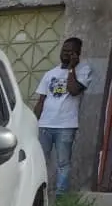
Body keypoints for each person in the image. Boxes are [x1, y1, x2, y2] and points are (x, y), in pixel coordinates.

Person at [33, 37, 94, 196]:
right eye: (64, 50)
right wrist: (33, 122)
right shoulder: (50, 74)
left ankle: (61, 197)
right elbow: (41, 100)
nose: (65, 54)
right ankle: (39, 193)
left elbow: (73, 90)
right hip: (44, 125)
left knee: (63, 163)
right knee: (40, 160)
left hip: (65, 126)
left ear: (77, 53)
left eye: (70, 51)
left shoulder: (84, 70)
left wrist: (71, 68)